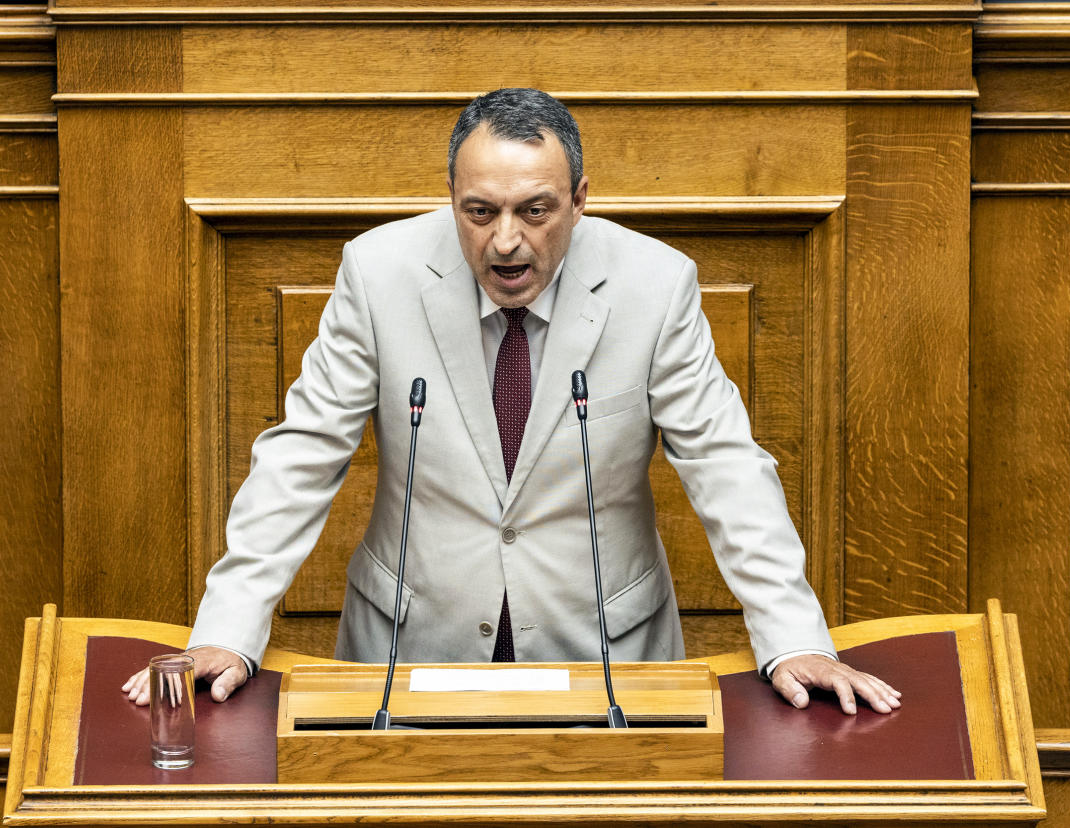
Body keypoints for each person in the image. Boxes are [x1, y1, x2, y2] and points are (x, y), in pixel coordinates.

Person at [124, 88, 901, 717]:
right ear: (451, 198)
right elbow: (301, 454)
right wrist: (227, 629)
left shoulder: (656, 285)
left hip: (603, 653)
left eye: (535, 210)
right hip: (408, 649)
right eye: (479, 212)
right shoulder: (378, 272)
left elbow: (726, 465)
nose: (505, 242)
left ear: (579, 199)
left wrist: (795, 637)